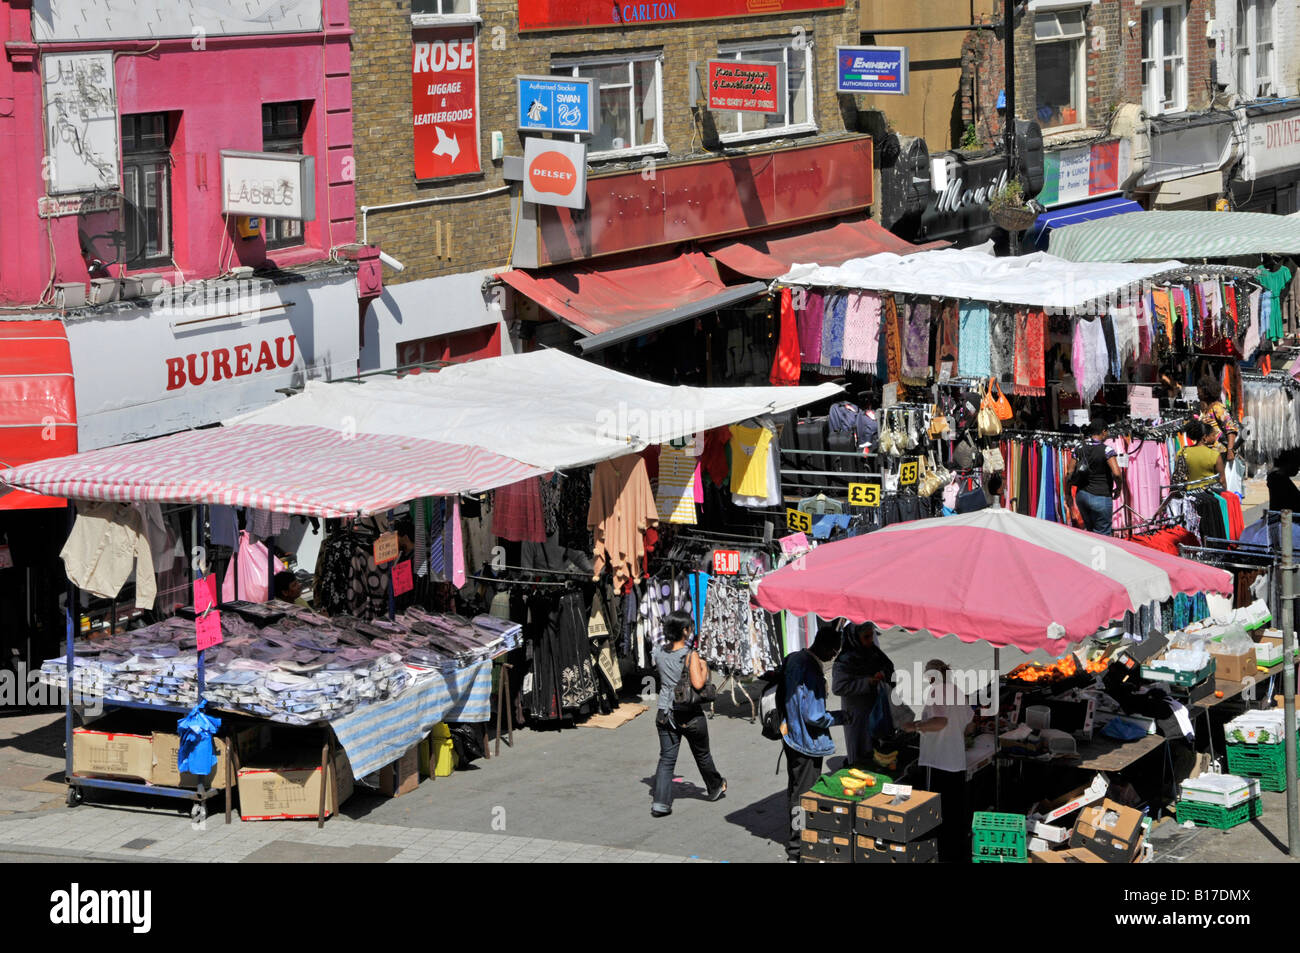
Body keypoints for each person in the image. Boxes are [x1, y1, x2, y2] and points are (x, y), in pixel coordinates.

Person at [650, 610, 725, 818]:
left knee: (666, 759)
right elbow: (699, 684)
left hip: (664, 711)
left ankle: (660, 804)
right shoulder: (689, 655)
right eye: (689, 627)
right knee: (702, 753)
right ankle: (715, 786)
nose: (691, 631)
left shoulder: (657, 651)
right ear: (684, 630)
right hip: (689, 713)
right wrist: (702, 666)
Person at [904, 660, 975, 863]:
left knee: (940, 815)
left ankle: (942, 856)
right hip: (957, 762)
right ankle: (957, 855)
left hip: (938, 763)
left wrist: (916, 726)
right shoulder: (957, 691)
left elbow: (940, 721)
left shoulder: (937, 692)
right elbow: (970, 726)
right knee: (955, 814)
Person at [783, 624, 843, 862]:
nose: (833, 657)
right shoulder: (812, 671)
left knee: (796, 790)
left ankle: (798, 841)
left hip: (791, 737)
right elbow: (815, 716)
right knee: (804, 795)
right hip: (806, 741)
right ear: (827, 648)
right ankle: (797, 847)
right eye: (834, 652)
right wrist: (840, 717)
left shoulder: (794, 658)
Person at [831, 623, 895, 769]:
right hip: (857, 713)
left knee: (880, 747)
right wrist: (867, 682)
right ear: (854, 638)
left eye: (871, 635)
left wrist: (884, 675)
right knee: (860, 750)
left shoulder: (873, 652)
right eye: (866, 637)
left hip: (877, 707)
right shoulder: (844, 661)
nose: (870, 640)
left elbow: (890, 668)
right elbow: (839, 687)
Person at [1065, 418, 1123, 535]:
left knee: (1090, 532)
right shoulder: (1107, 450)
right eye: (1107, 432)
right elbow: (1117, 473)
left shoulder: (1078, 448)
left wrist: (1067, 493)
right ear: (1103, 431)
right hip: (1101, 497)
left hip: (1082, 496)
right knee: (1103, 534)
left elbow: (1069, 473)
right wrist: (1119, 488)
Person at [1197, 374, 1239, 463]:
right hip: (1208, 452)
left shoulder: (1217, 408)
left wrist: (1230, 450)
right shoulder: (1206, 408)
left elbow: (1231, 429)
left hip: (1219, 453)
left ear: (1206, 392)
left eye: (1199, 391)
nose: (1197, 393)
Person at [1174, 419, 1226, 488]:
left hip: (1190, 495)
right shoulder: (1214, 454)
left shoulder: (1182, 452)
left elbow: (1179, 477)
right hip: (1211, 494)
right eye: (1213, 435)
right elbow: (1222, 480)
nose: (1215, 438)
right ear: (1205, 438)